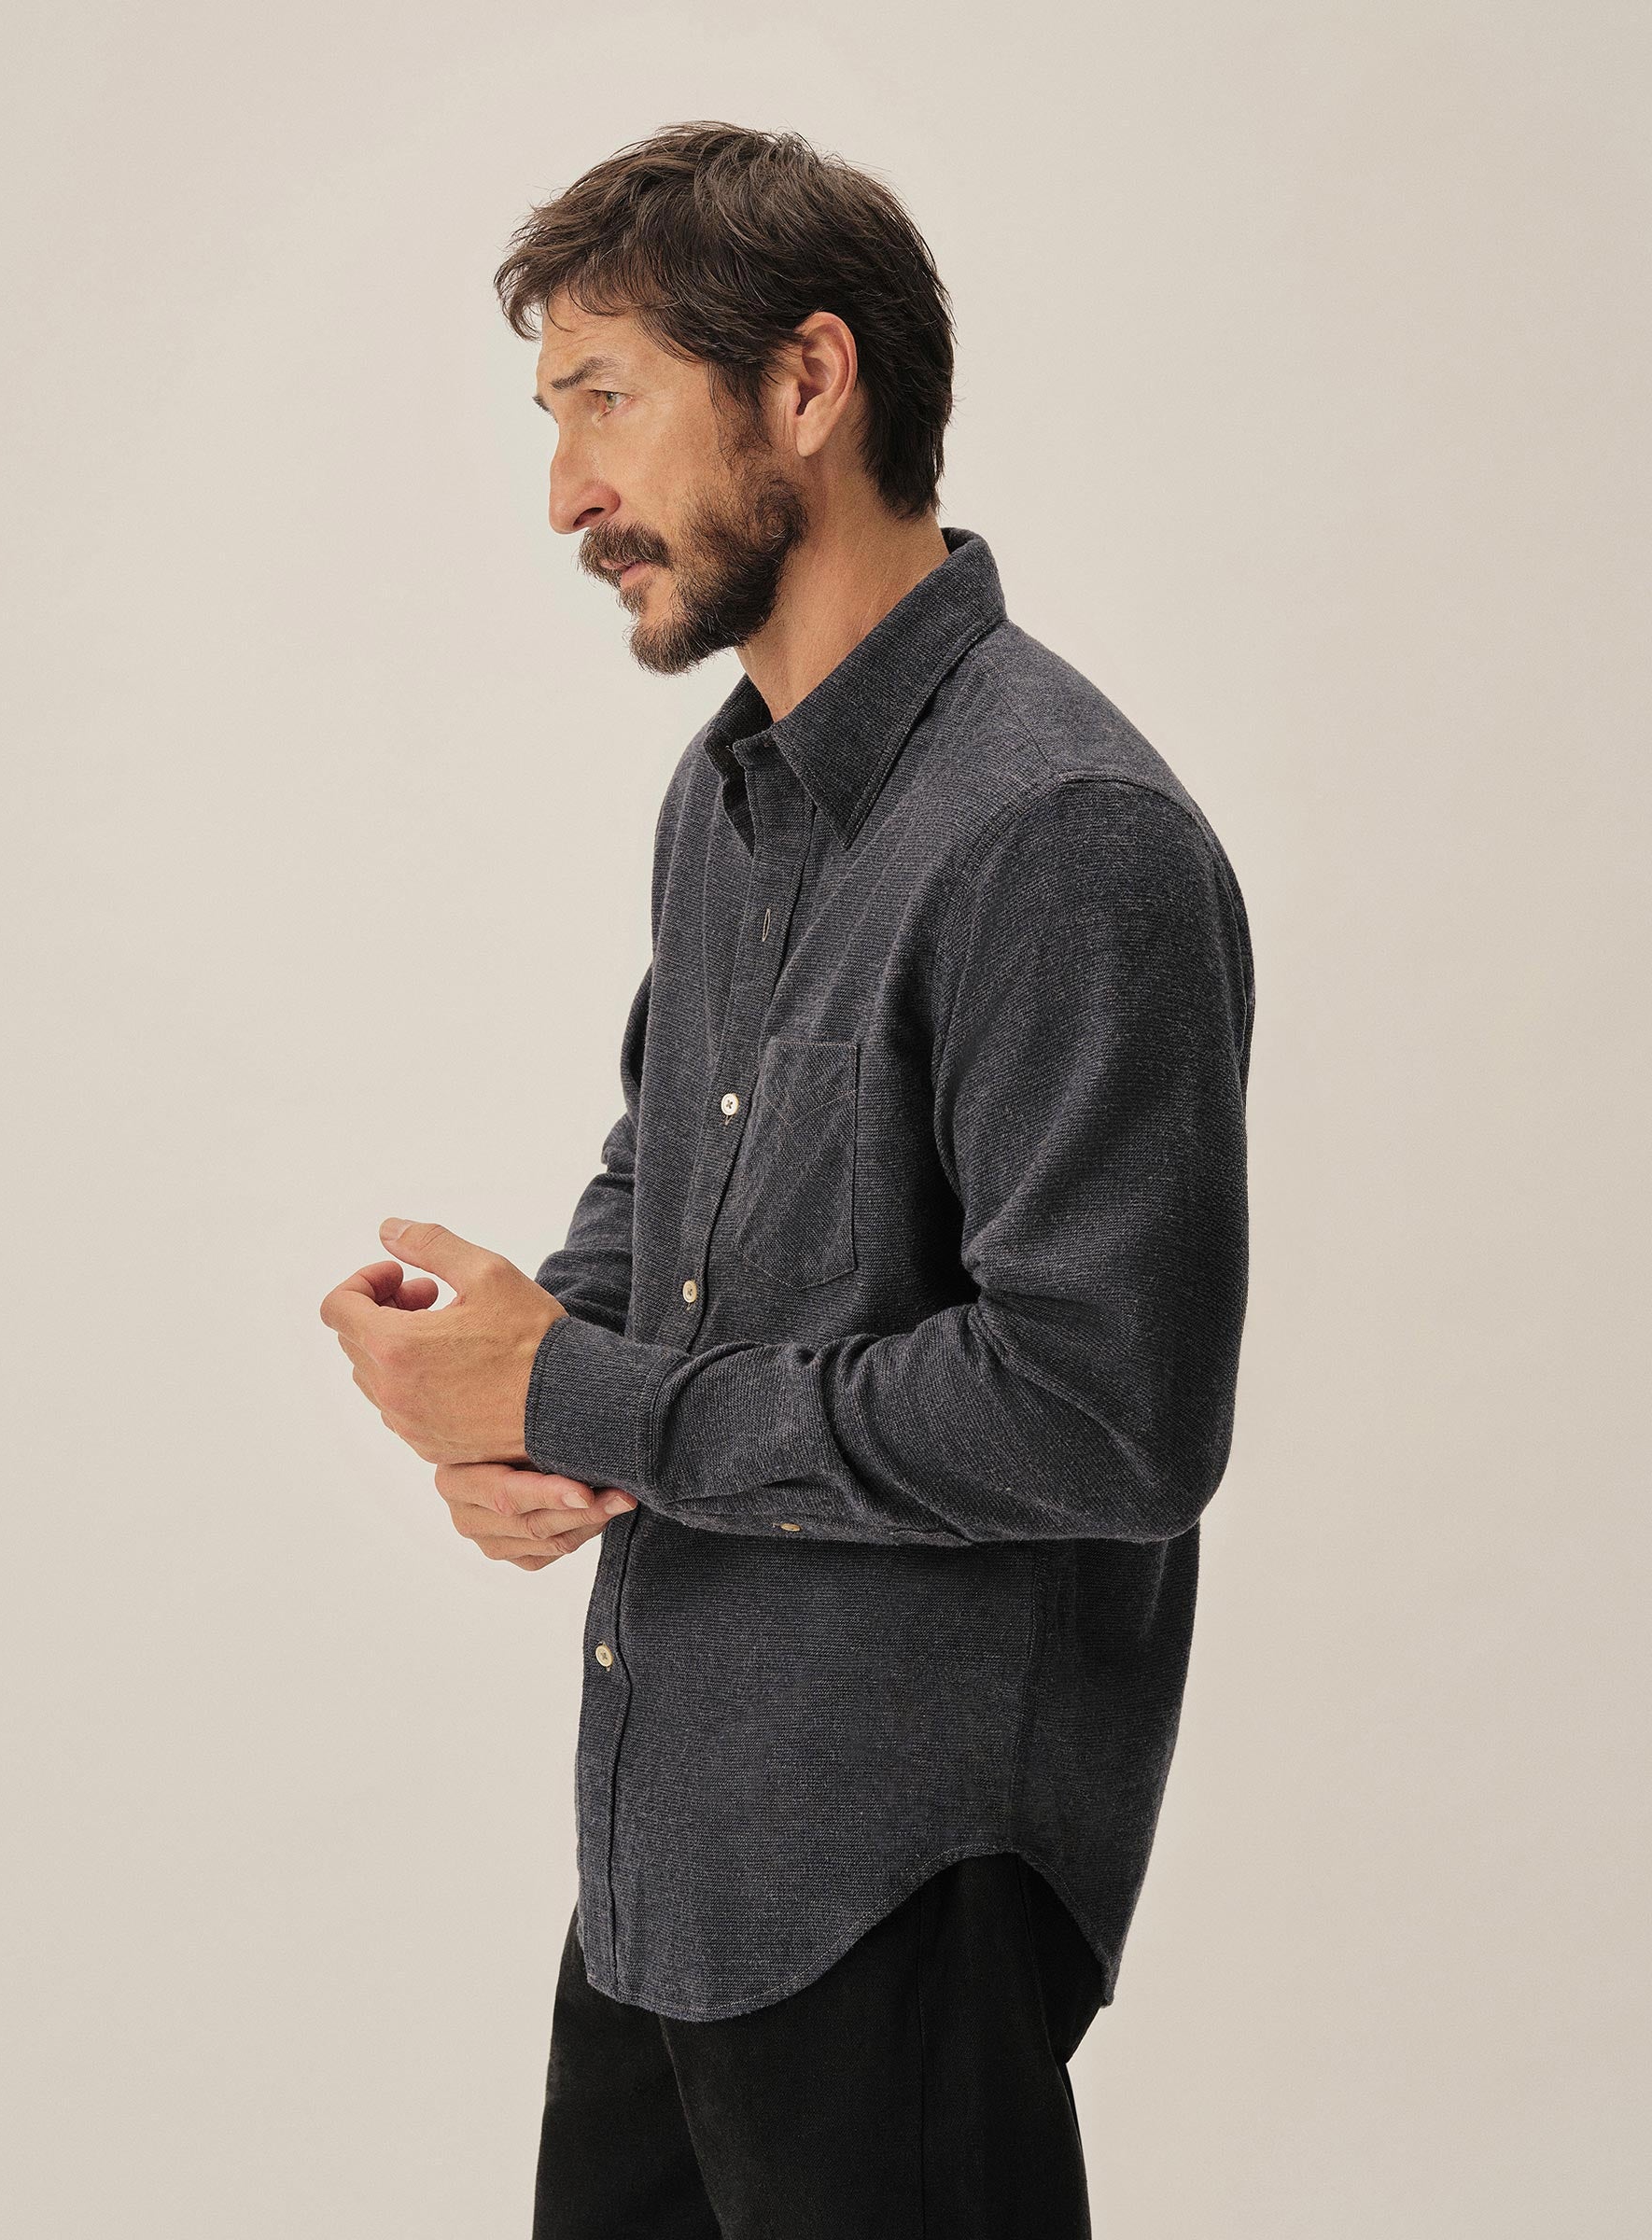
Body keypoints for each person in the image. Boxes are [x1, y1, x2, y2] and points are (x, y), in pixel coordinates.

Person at [320, 119, 1254, 2237]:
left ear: (809, 383)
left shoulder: (1065, 834)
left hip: (896, 1876)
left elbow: (1111, 1413)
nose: (567, 494)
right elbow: (669, 1171)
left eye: (607, 400)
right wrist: (514, 1393)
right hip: (670, 1862)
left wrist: (582, 1390)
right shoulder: (730, 790)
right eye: (553, 419)